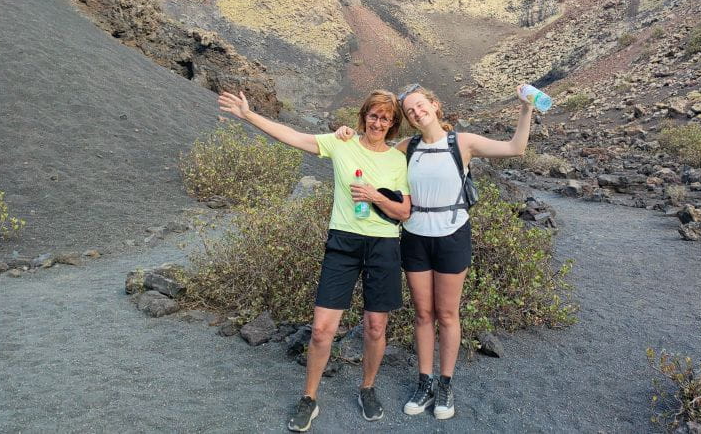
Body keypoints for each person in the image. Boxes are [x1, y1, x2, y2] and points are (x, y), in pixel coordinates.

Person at [335, 83, 534, 420]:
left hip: (452, 235)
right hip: (414, 236)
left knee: (447, 314)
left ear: (434, 105)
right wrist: (347, 135)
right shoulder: (406, 146)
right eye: (410, 111)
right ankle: (424, 381)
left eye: (420, 105)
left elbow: (516, 148)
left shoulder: (462, 142)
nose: (416, 112)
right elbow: (372, 149)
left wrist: (527, 108)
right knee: (423, 314)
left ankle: (445, 383)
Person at [217, 89, 411, 432]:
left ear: (393, 123)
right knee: (322, 330)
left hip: (383, 245)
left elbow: (404, 212)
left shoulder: (397, 160)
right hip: (343, 242)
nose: (378, 122)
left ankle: (367, 387)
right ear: (364, 116)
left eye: (385, 118)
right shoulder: (342, 144)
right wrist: (249, 115)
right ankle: (309, 398)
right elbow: (293, 136)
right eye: (373, 115)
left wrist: (374, 196)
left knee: (376, 326)